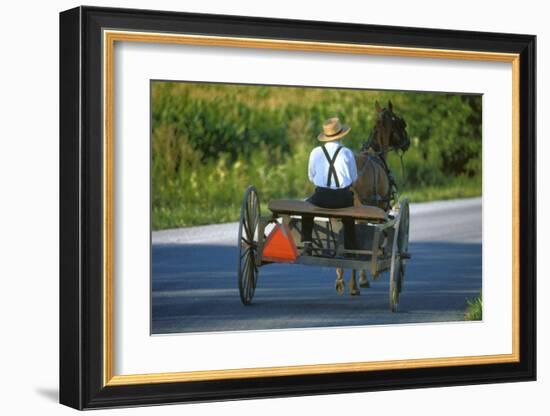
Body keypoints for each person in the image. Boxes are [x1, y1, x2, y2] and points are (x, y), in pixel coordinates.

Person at [302, 117, 358, 253]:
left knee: (306, 208)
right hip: (342, 198)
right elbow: (354, 178)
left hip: (321, 197)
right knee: (350, 215)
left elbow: (311, 176)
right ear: (341, 135)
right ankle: (350, 248)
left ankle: (307, 241)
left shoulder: (315, 152)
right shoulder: (347, 153)